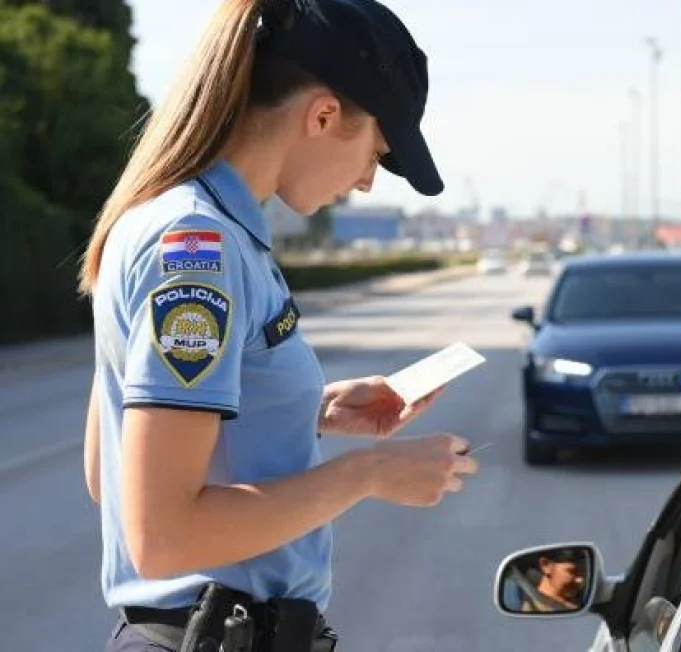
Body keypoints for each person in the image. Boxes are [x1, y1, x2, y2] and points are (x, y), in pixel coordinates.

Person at [77, 1, 478, 649]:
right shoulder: (197, 249)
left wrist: (308, 411)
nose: (368, 182)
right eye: (375, 152)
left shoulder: (202, 230)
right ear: (322, 116)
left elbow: (117, 467)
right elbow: (161, 534)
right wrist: (369, 475)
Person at [519, 549, 587, 613]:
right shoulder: (533, 609)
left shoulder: (581, 600)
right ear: (546, 565)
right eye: (572, 572)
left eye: (583, 572)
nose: (580, 580)